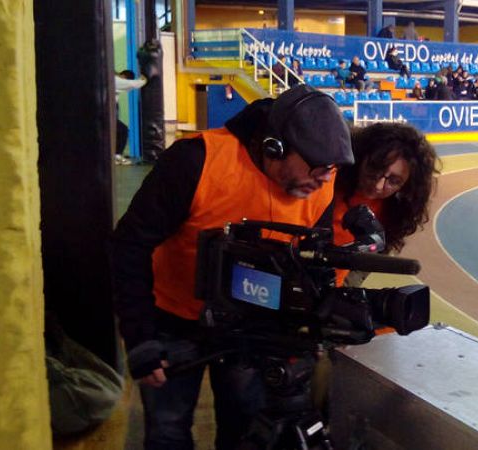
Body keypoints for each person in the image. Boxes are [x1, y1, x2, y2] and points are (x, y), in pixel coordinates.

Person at [110, 85, 354, 450]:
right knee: (167, 431)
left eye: (331, 168)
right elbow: (129, 244)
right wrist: (139, 334)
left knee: (244, 430)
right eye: (317, 165)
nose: (325, 178)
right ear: (275, 147)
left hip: (250, 328)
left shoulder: (322, 183)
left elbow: (307, 261)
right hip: (172, 321)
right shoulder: (196, 161)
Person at [333, 123, 439, 287]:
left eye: (394, 181)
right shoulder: (326, 177)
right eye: (374, 169)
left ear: (407, 185)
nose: (378, 185)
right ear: (361, 156)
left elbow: (367, 262)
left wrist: (342, 289)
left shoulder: (395, 213)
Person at [114, 70, 147, 165]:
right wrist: (144, 79)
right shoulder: (116, 81)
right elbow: (133, 84)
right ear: (123, 76)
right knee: (123, 130)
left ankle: (115, 155)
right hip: (105, 113)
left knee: (118, 131)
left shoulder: (112, 80)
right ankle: (117, 156)